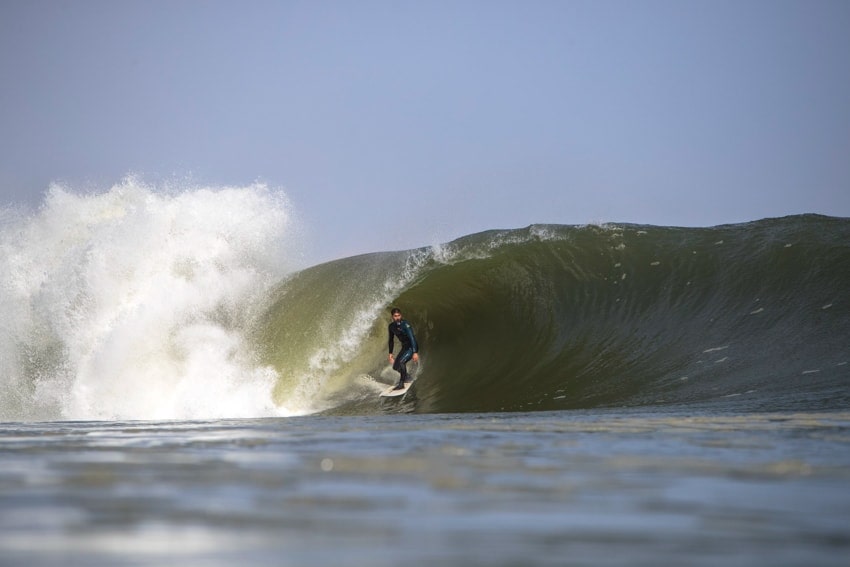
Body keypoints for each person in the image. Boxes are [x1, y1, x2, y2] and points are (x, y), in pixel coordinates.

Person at [387, 307, 419, 390]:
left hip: (411, 347)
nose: (397, 317)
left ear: (401, 315)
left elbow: (412, 338)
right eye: (395, 316)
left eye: (399, 315)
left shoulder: (405, 324)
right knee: (395, 367)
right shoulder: (391, 327)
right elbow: (391, 340)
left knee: (401, 362)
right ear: (392, 317)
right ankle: (407, 377)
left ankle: (401, 384)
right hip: (405, 347)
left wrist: (415, 352)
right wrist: (390, 353)